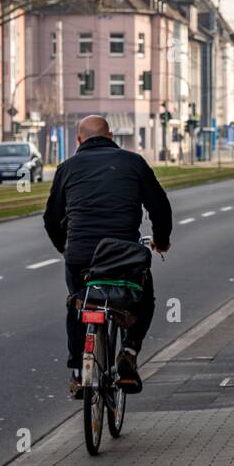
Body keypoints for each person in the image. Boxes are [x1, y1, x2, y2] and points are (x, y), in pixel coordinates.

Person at [43, 115, 172, 399]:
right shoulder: (133, 162)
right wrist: (161, 241)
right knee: (143, 298)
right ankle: (128, 350)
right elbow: (160, 207)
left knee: (78, 301)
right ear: (111, 136)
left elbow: (52, 218)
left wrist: (64, 248)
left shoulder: (66, 168)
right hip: (123, 254)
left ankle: (78, 371)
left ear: (79, 140)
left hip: (81, 256)